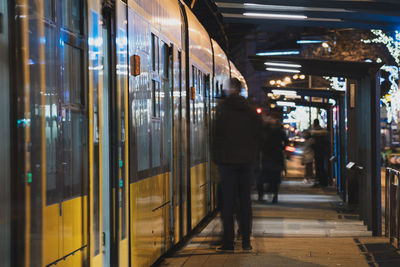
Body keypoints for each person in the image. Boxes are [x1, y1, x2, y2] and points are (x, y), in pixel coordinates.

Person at [212, 78, 262, 252]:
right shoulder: (251, 113)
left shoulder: (222, 111)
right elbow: (258, 138)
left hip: (227, 164)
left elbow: (215, 137)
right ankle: (246, 242)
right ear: (241, 90)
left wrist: (218, 159)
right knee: (245, 204)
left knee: (227, 204)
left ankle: (228, 243)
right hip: (246, 164)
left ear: (229, 90)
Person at [257, 111, 288, 204]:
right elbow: (285, 142)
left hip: (269, 156)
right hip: (274, 157)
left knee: (266, 177)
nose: (271, 120)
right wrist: (281, 148)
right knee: (271, 177)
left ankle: (267, 195)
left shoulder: (265, 130)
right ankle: (272, 195)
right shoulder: (278, 130)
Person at [311, 119, 330, 187]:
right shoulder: (324, 133)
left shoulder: (315, 133)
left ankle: (320, 182)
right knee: (322, 168)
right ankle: (323, 182)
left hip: (318, 153)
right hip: (323, 153)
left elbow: (313, 144)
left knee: (319, 168)